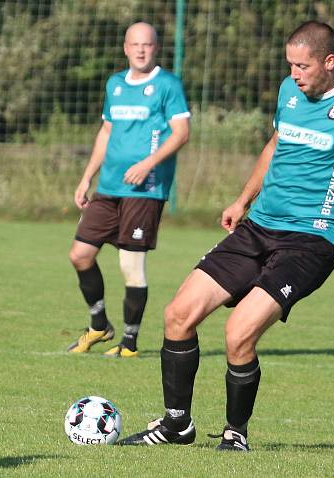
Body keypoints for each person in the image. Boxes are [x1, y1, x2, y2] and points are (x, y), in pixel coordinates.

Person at [118, 21, 334, 450]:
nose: (295, 74)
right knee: (178, 315)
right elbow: (277, 145)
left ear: (329, 62)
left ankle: (235, 434)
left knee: (239, 333)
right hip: (260, 226)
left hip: (312, 240)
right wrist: (242, 200)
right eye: (290, 65)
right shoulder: (289, 92)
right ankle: (176, 425)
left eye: (303, 66)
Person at [67, 22, 191, 358]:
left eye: (147, 45)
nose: (141, 50)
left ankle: (130, 342)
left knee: (130, 264)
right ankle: (98, 325)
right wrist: (86, 177)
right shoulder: (116, 84)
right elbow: (106, 132)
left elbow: (181, 133)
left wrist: (148, 164)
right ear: (125, 48)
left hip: (146, 189)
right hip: (109, 186)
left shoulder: (167, 85)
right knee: (80, 254)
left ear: (156, 48)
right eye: (135, 44)